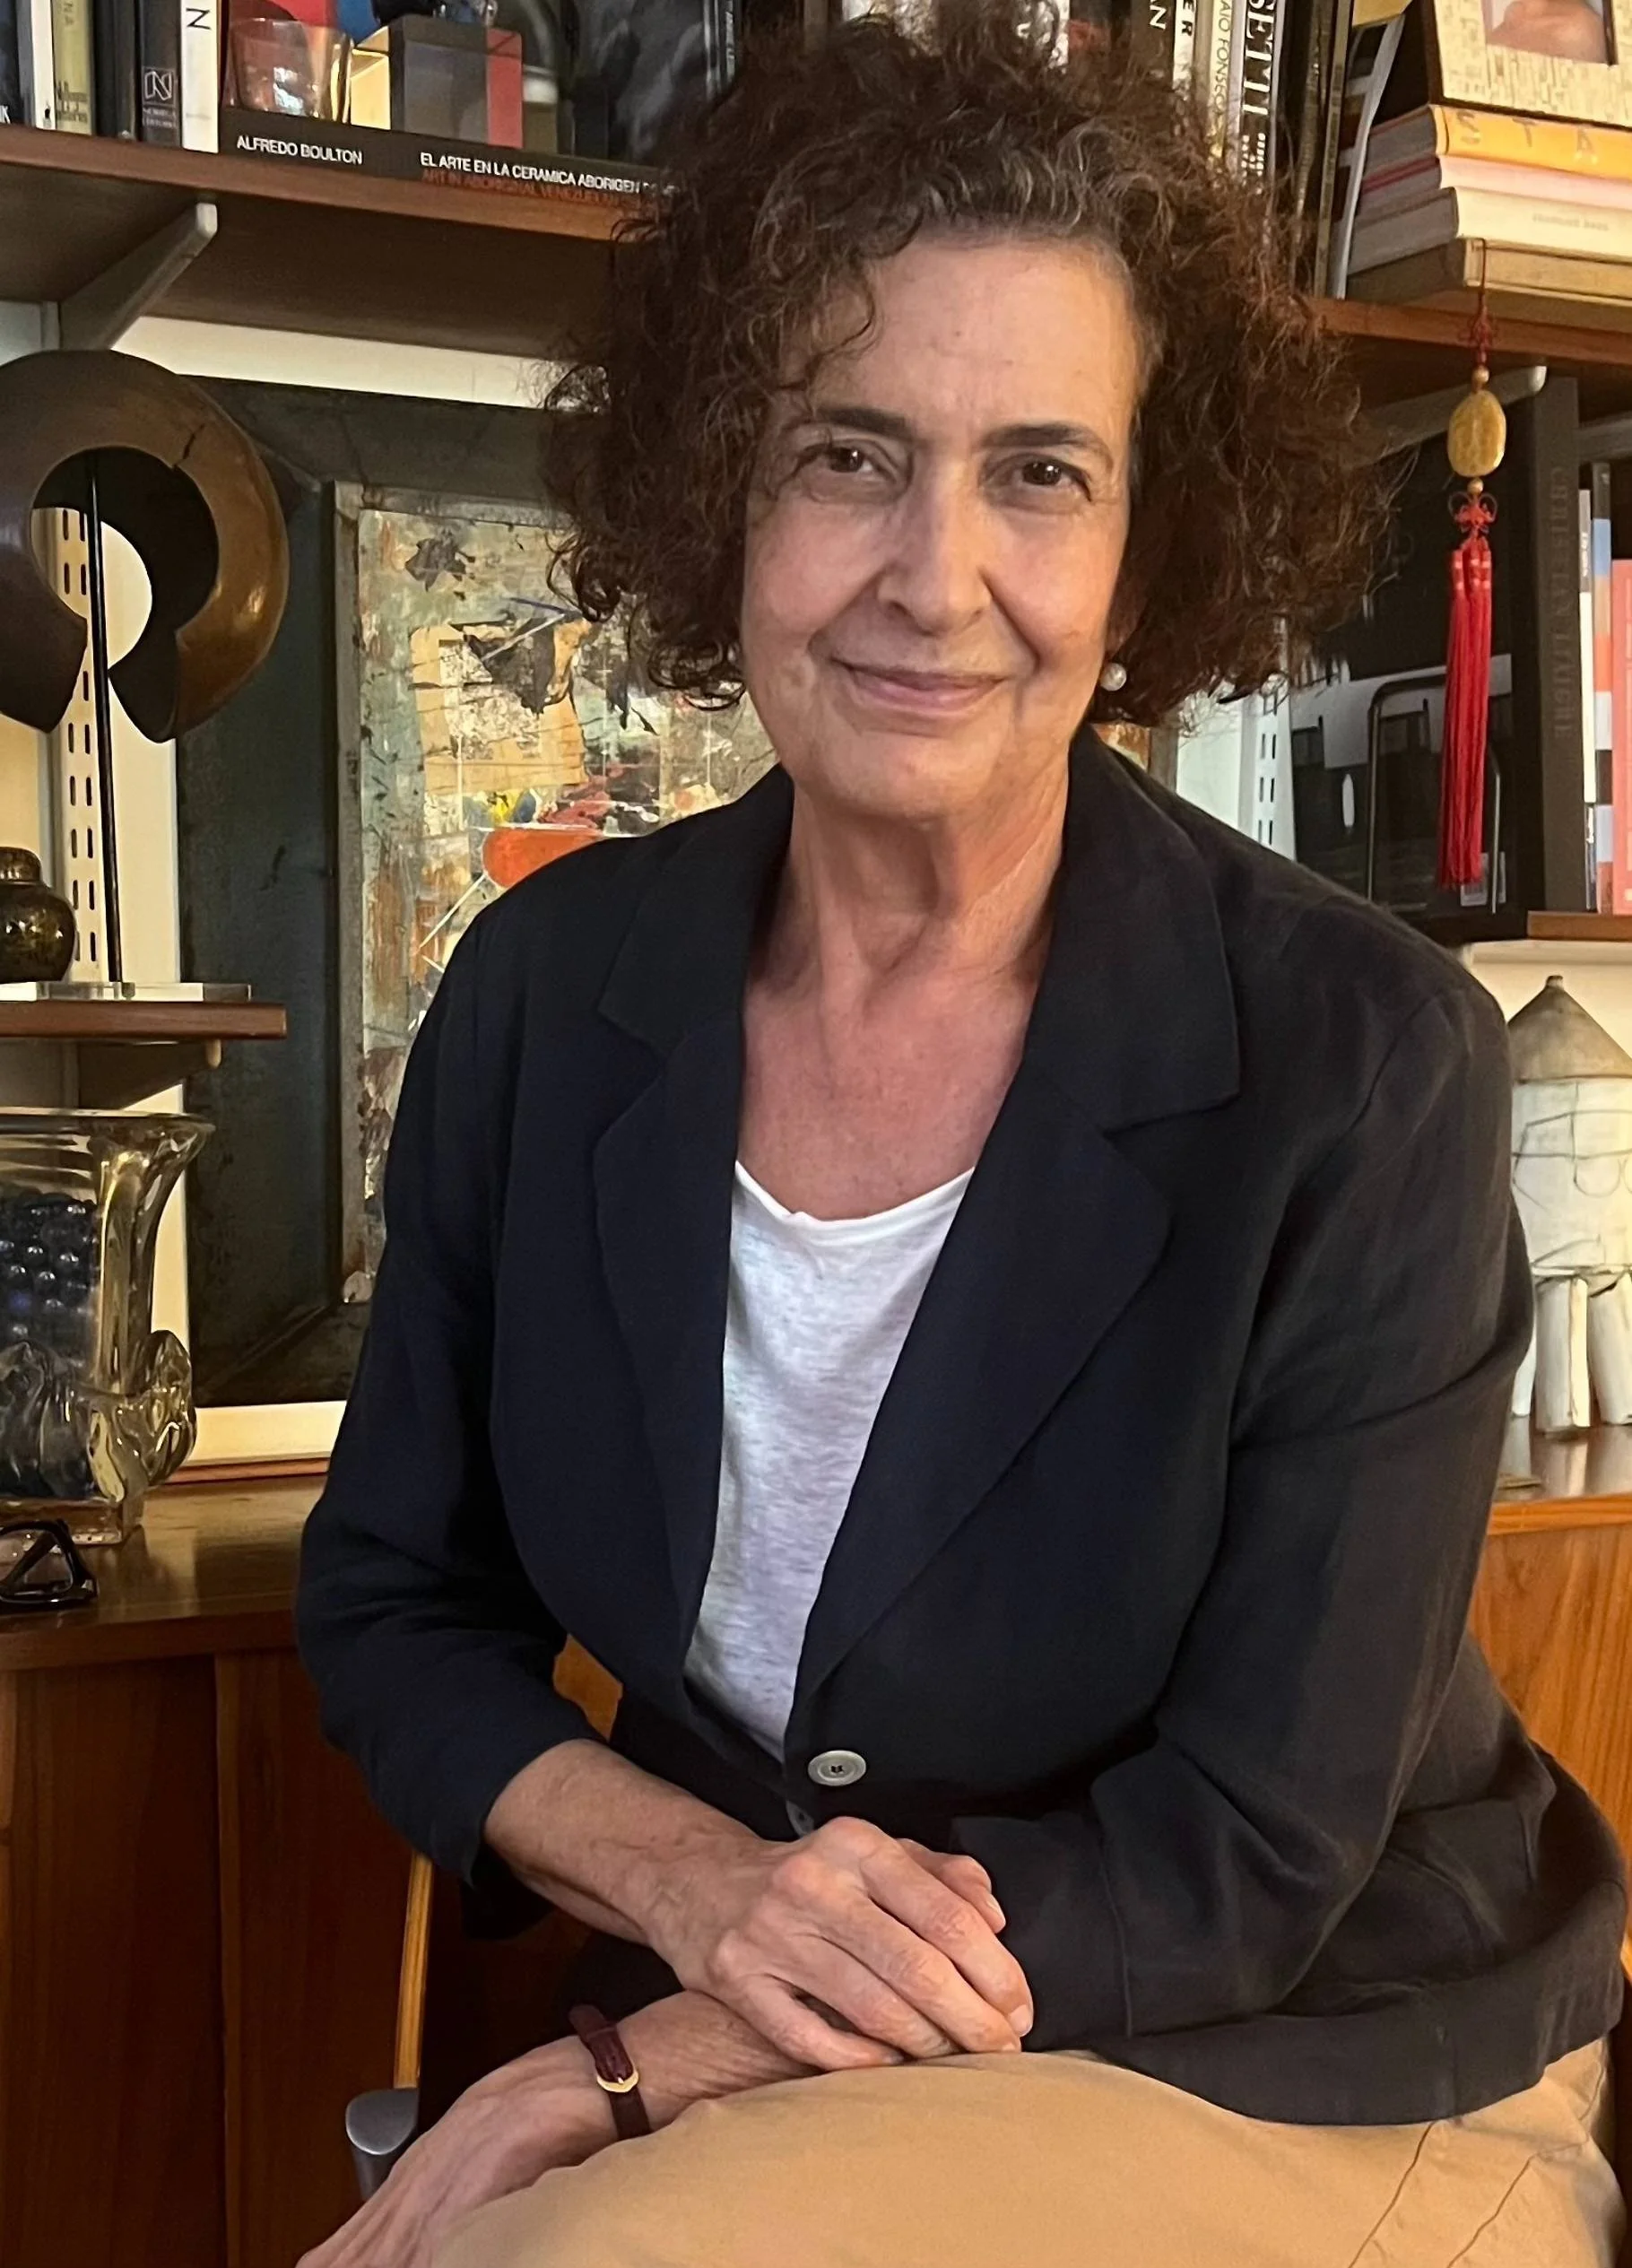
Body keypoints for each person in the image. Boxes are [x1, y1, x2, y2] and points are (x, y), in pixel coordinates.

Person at [296, 12, 1629, 2265]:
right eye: (845, 454)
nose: (935, 572)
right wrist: (699, 1887)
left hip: (1300, 2039)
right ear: (714, 488)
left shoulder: (1366, 1058)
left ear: (1143, 547)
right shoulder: (542, 999)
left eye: (1039, 470)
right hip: (815, 2046)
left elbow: (1245, 1846)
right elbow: (395, 1606)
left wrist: (616, 2069)